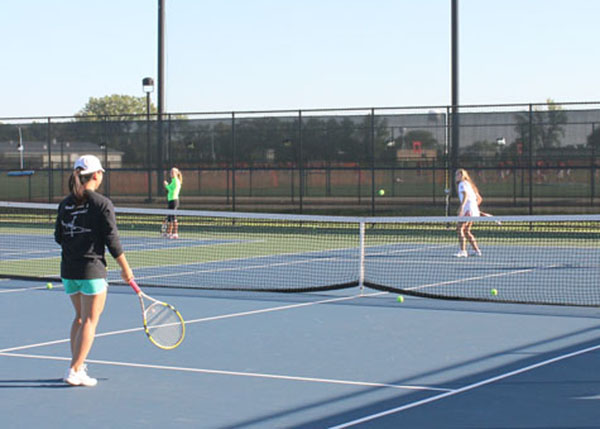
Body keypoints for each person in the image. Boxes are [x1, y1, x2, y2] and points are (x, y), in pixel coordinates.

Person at [54, 155, 134, 387]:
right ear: (96, 175)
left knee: (79, 318)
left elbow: (59, 237)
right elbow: (113, 241)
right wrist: (126, 270)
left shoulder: (65, 204)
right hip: (91, 272)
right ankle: (75, 368)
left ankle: (78, 365)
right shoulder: (102, 204)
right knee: (90, 320)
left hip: (68, 271)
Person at [454, 168, 483, 258]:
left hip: (468, 211)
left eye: (459, 175)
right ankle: (477, 250)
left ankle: (463, 251)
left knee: (459, 229)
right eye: (457, 175)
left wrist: (463, 207)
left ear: (463, 176)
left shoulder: (462, 184)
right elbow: (479, 199)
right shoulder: (470, 185)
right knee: (466, 231)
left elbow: (466, 195)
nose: (457, 176)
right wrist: (475, 208)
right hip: (472, 210)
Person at [163, 167, 183, 239]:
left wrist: (166, 185)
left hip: (174, 201)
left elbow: (172, 191)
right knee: (169, 217)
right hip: (170, 200)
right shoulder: (173, 181)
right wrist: (167, 185)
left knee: (173, 217)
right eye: (171, 172)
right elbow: (170, 189)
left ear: (176, 173)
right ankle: (169, 233)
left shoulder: (176, 181)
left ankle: (175, 233)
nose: (171, 173)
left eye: (173, 172)